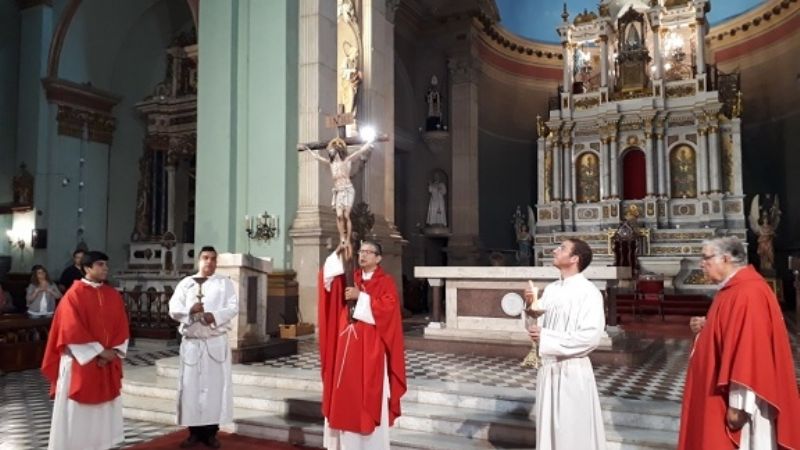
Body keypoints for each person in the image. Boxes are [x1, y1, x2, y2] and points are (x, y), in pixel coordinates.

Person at [678, 237, 800, 450]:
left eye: (706, 258)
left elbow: (750, 352)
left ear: (725, 259)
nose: (701, 264)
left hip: (744, 406)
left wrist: (739, 406)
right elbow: (733, 331)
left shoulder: (748, 293)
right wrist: (708, 325)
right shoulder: (734, 289)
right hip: (725, 395)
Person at [318, 240, 407, 450]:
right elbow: (327, 281)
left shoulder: (385, 282)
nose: (363, 255)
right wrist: (338, 252)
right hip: (347, 350)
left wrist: (361, 297)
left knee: (368, 396)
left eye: (369, 252)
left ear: (378, 258)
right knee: (346, 396)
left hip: (371, 351)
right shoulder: (352, 277)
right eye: (361, 251)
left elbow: (389, 310)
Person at [41, 251, 130, 450]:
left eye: (106, 264)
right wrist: (99, 352)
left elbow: (121, 325)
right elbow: (70, 329)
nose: (105, 268)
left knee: (102, 413)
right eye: (100, 264)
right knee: (77, 415)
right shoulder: (73, 295)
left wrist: (112, 352)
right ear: (87, 268)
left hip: (106, 362)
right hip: (80, 363)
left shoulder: (113, 295)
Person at [525, 238, 606, 450]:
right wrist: (530, 307)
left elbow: (590, 337)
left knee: (571, 432)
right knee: (549, 430)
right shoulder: (552, 289)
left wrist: (547, 338)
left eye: (562, 248)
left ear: (574, 258)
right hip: (548, 369)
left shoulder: (589, 292)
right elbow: (535, 327)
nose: (555, 251)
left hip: (573, 371)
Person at [168, 246, 238, 449]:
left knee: (214, 389)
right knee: (191, 388)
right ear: (199, 260)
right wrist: (189, 311)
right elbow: (173, 309)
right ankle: (193, 433)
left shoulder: (224, 283)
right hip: (193, 343)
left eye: (213, 259)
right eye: (206, 258)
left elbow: (233, 307)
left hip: (214, 342)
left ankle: (211, 433)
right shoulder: (186, 283)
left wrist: (214, 316)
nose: (209, 262)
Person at [304, 137, 374, 259]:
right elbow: (318, 158)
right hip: (338, 191)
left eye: (332, 150)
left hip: (347, 190)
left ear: (337, 150)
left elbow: (360, 151)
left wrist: (369, 142)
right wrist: (309, 150)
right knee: (339, 216)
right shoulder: (331, 163)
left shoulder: (347, 160)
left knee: (346, 215)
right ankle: (342, 238)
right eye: (330, 151)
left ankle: (348, 239)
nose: (330, 152)